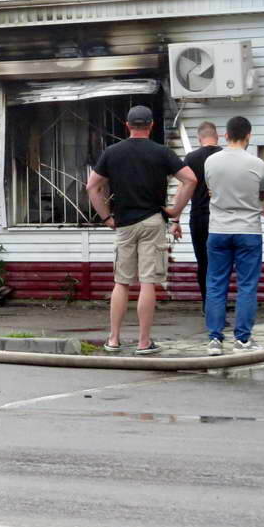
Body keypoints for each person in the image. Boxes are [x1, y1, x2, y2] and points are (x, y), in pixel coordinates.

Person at [86, 105, 197, 355]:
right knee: (148, 282)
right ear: (151, 126)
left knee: (121, 282)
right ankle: (144, 342)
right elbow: (190, 179)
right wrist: (175, 210)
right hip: (152, 222)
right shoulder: (161, 152)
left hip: (124, 224)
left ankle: (113, 339)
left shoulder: (112, 153)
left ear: (127, 126)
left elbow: (92, 186)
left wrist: (106, 217)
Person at [202, 116, 264, 356]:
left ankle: (215, 340)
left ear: (226, 135)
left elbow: (211, 190)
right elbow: (261, 193)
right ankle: (242, 340)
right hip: (248, 230)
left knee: (216, 284)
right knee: (247, 286)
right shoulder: (258, 164)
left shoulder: (211, 161)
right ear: (248, 135)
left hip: (218, 229)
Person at [180, 121, 222, 312]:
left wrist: (174, 217)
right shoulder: (224, 156)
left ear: (199, 138)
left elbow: (184, 188)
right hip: (221, 216)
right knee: (221, 263)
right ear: (217, 136)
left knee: (202, 261)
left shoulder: (191, 158)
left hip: (198, 216)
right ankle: (219, 302)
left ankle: (207, 303)